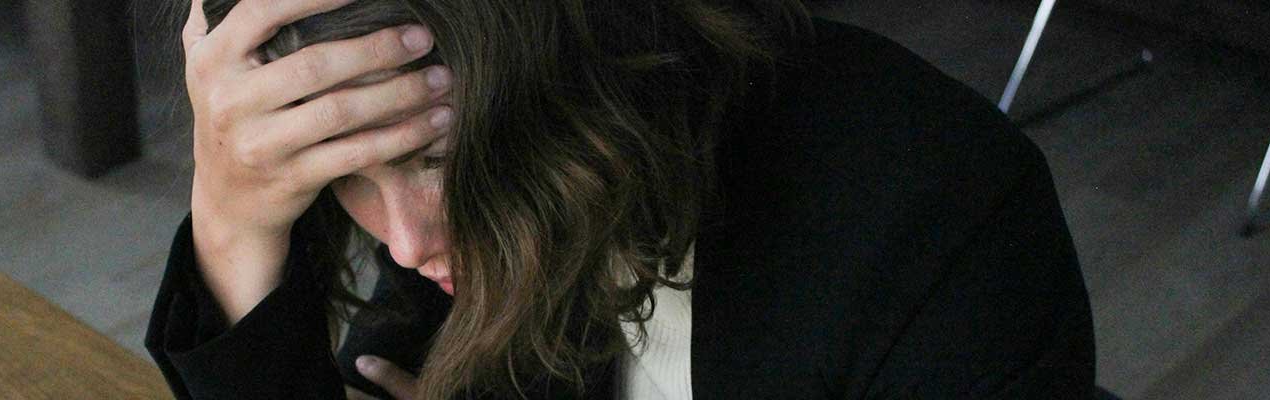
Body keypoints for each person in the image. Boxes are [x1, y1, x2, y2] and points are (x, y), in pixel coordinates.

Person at [144, 0, 1098, 398]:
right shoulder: (452, 240)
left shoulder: (942, 221)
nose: (403, 244)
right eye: (346, 178)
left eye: (441, 161)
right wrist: (234, 224)